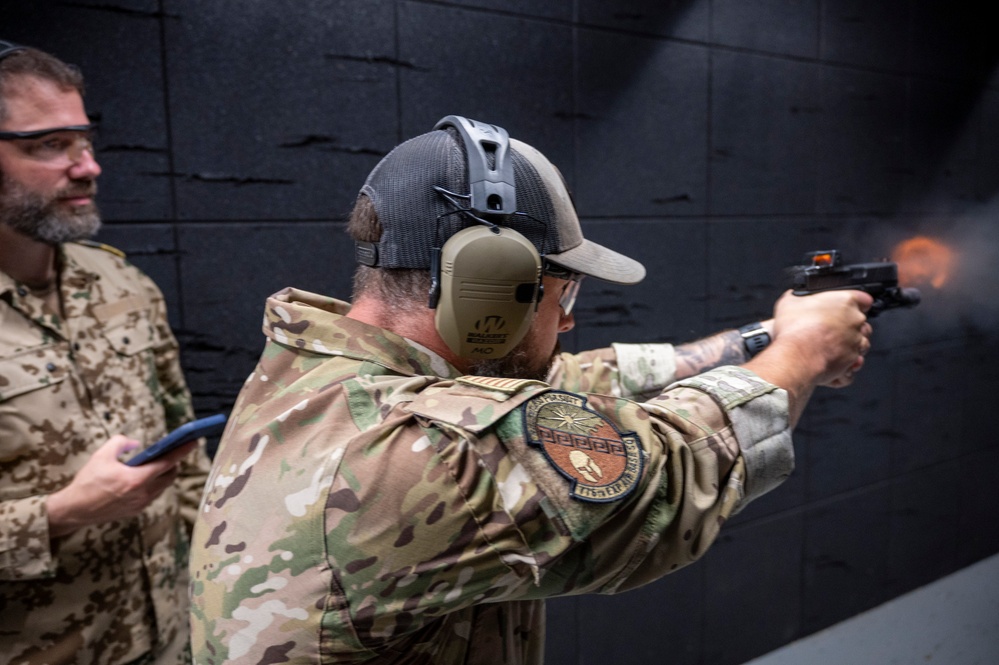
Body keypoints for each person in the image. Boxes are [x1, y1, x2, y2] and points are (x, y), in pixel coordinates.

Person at [189, 116, 872, 664]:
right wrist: (802, 353)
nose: (569, 317)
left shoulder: (310, 370)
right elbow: (673, 473)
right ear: (486, 286)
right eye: (559, 290)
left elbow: (567, 383)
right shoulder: (420, 455)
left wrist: (762, 336)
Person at [0, 40, 210, 664]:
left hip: (167, 641)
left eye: (85, 141)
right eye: (49, 144)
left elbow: (187, 459)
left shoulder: (123, 285)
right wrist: (63, 512)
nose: (87, 166)